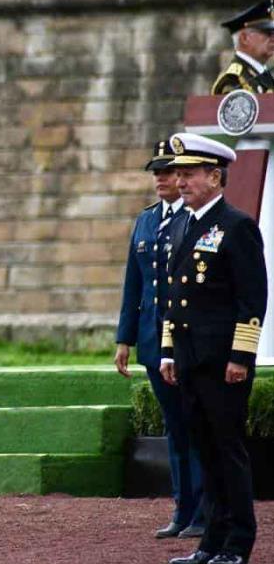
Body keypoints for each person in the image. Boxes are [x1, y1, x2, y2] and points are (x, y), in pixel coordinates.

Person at [160, 133, 266, 564]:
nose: (180, 182)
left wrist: (241, 358)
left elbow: (252, 299)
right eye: (178, 174)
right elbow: (174, 296)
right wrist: (168, 351)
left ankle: (237, 541)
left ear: (215, 176)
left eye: (189, 174)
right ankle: (210, 539)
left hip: (222, 361)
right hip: (189, 358)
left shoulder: (236, 225)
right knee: (204, 448)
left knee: (227, 449)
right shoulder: (183, 224)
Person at [114, 140, 205, 539]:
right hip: (153, 340)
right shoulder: (147, 221)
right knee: (174, 427)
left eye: (169, 172)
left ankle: (203, 510)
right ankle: (182, 508)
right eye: (158, 172)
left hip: (188, 342)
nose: (162, 179)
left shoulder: (196, 219)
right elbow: (133, 287)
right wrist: (124, 339)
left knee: (195, 424)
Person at [212, 0, 274, 94]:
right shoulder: (233, 81)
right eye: (268, 33)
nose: (273, 38)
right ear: (245, 38)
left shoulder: (265, 76)